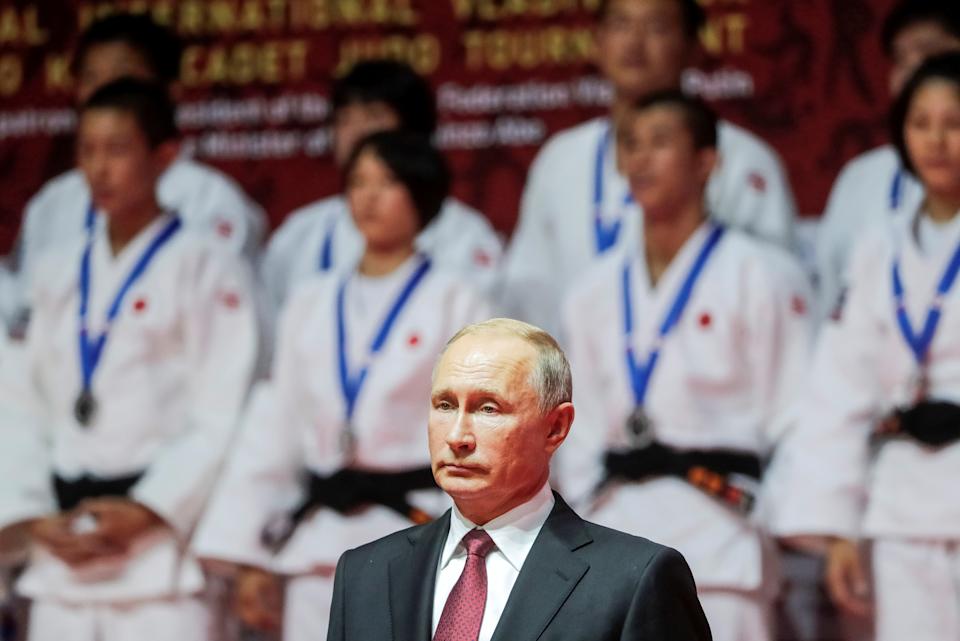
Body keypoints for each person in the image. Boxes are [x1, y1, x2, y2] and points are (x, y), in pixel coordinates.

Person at [193, 130, 491, 641]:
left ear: (422, 195)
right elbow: (276, 426)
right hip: (318, 538)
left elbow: (485, 429)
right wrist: (250, 553)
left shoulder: (458, 302)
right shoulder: (310, 301)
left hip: (421, 533)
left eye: (387, 182)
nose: (369, 196)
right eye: (358, 181)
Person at [0, 77, 259, 641]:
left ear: (165, 156)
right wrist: (33, 513)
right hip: (61, 547)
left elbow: (223, 411)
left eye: (117, 150)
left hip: (158, 554)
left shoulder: (205, 266)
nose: (98, 169)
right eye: (87, 151)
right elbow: (19, 404)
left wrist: (149, 509)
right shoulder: (56, 271)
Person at [557, 92, 812, 641]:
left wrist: (775, 520)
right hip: (613, 534)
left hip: (721, 532)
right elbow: (576, 430)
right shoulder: (592, 289)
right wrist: (579, 520)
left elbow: (798, 412)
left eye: (661, 142)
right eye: (631, 145)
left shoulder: (763, 274)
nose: (641, 159)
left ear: (706, 161)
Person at [326, 317, 711, 641]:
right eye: (445, 405)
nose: (458, 436)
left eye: (488, 409)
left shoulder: (634, 582)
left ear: (555, 428)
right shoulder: (364, 575)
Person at [770, 52, 960, 641]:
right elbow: (840, 390)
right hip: (901, 502)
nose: (936, 140)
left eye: (954, 122)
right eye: (920, 122)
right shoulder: (878, 249)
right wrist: (837, 528)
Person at [500, 0, 797, 336]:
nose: (634, 43)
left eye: (656, 27)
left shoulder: (743, 159)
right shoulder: (561, 158)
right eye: (620, 25)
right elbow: (527, 290)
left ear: (692, 47)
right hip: (574, 376)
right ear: (596, 42)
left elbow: (777, 290)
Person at [12, 13, 266, 332]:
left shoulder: (211, 199)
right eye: (91, 77)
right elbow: (24, 316)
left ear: (170, 92)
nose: (105, 90)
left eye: (122, 75)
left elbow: (224, 331)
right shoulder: (51, 203)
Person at [260, 59, 503, 312]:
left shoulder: (463, 234)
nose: (355, 133)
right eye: (344, 119)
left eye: (373, 116)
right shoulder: (300, 233)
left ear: (413, 130)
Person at [815, 0, 960, 320]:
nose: (912, 70)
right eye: (900, 58)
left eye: (929, 53)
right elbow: (830, 306)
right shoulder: (862, 177)